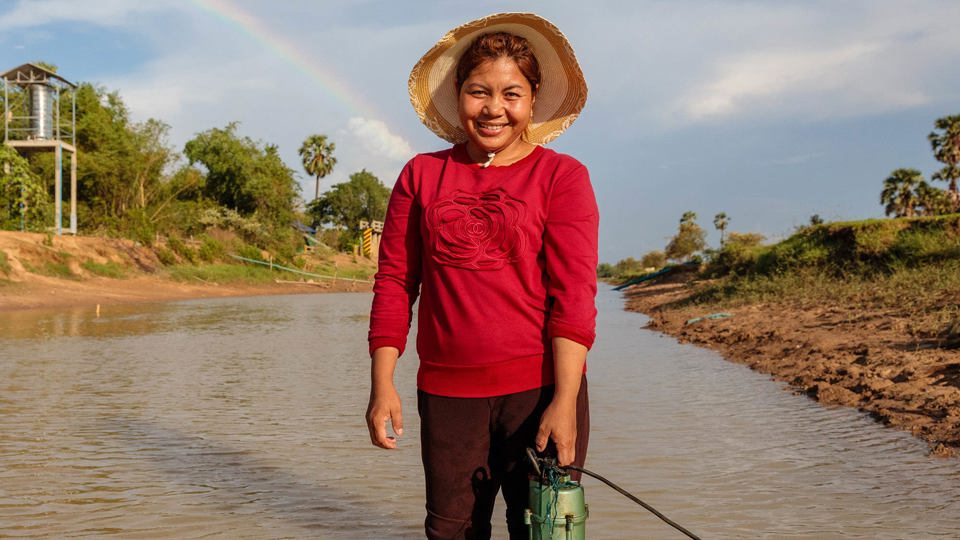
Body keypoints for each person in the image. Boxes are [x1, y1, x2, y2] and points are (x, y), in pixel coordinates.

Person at [365, 12, 598, 540]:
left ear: (533, 99)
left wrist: (564, 402)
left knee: (545, 529)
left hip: (539, 391)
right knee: (451, 531)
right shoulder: (421, 175)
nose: (495, 109)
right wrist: (383, 385)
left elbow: (574, 298)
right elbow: (395, 282)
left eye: (511, 93)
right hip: (448, 397)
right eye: (479, 92)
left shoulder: (561, 176)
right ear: (458, 96)